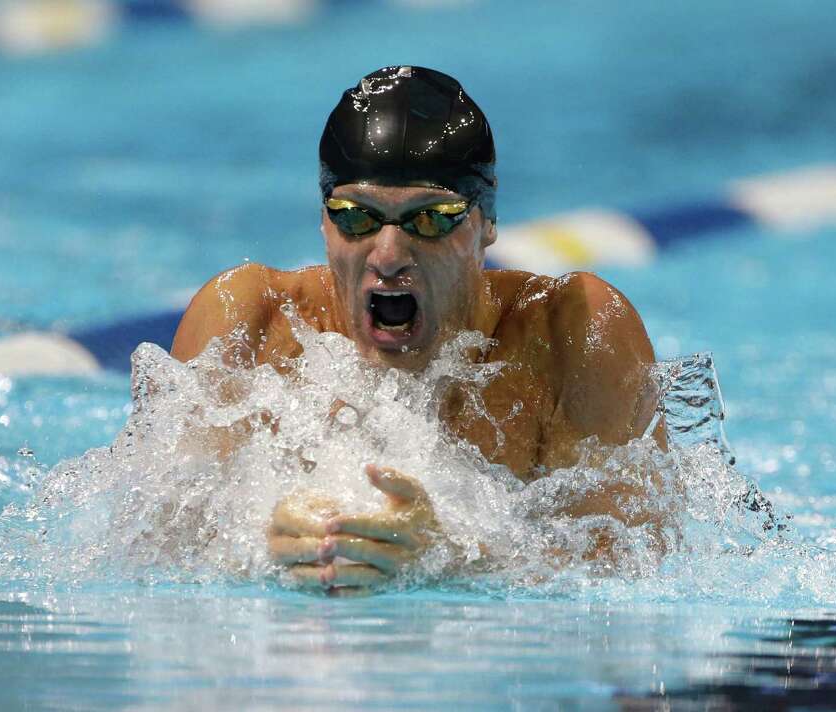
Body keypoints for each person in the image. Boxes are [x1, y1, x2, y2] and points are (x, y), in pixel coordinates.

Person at [170, 66, 665, 595]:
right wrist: (253, 542)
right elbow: (148, 549)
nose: (387, 256)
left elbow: (637, 573)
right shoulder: (247, 325)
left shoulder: (575, 334)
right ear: (323, 220)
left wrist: (452, 554)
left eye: (431, 219)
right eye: (356, 217)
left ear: (487, 221)